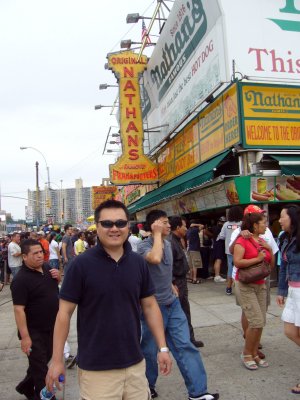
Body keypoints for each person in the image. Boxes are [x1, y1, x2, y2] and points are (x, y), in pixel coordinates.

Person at [46, 200, 172, 400]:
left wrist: (162, 348)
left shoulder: (138, 263)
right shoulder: (81, 265)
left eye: (120, 223)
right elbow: (64, 313)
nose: (114, 228)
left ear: (128, 226)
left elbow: (149, 306)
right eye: (107, 223)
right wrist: (57, 359)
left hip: (135, 366)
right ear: (97, 227)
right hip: (96, 370)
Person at [138, 209, 219, 400]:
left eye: (167, 223)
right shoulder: (142, 247)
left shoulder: (168, 244)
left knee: (186, 346)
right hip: (151, 308)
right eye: (164, 222)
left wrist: (170, 283)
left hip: (171, 304)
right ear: (153, 226)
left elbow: (165, 269)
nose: (168, 225)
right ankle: (147, 388)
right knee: (149, 351)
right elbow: (155, 259)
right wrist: (156, 234)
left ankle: (198, 392)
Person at [10, 239, 60, 400]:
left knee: (40, 363)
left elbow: (53, 290)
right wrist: (25, 337)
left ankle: (25, 386)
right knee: (41, 371)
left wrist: (58, 277)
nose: (40, 256)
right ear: (24, 257)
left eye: (41, 252)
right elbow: (18, 310)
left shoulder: (46, 268)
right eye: (35, 253)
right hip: (33, 331)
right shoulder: (20, 280)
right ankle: (46, 397)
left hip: (51, 327)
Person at [229, 204, 278, 359]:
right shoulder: (239, 233)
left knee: (259, 319)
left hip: (262, 281)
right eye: (261, 218)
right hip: (245, 280)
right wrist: (240, 237)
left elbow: (271, 256)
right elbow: (234, 255)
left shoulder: (265, 234)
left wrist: (268, 249)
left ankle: (254, 347)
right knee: (252, 317)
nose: (265, 223)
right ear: (252, 221)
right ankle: (248, 349)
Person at [169, 216, 204, 348]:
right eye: (184, 226)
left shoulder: (177, 240)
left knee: (184, 309)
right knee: (182, 310)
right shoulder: (171, 242)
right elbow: (169, 265)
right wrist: (172, 282)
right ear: (177, 228)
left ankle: (188, 338)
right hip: (177, 281)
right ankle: (186, 339)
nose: (186, 228)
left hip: (181, 279)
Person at [277, 205, 300, 394]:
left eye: (282, 217)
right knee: (290, 331)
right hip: (293, 291)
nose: (279, 220)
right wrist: (281, 291)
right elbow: (283, 266)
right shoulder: (284, 238)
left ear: (292, 218)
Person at [218, 206, 244, 295]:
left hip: (229, 251)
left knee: (230, 269)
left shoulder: (226, 224)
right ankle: (239, 287)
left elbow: (221, 236)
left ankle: (229, 287)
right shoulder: (242, 224)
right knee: (241, 268)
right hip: (241, 250)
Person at [212, 217, 227, 283]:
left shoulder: (215, 227)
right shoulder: (221, 228)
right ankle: (217, 276)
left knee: (217, 260)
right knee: (219, 260)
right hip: (219, 245)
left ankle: (216, 275)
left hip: (215, 245)